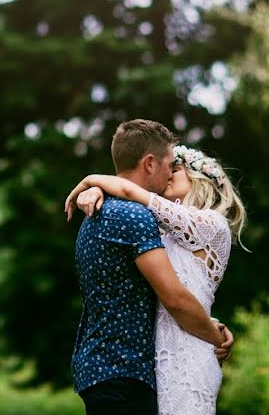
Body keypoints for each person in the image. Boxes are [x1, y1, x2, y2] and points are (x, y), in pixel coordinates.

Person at [64, 119, 235, 415]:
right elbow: (175, 300)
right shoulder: (136, 218)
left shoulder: (208, 225)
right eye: (170, 165)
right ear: (150, 163)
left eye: (177, 168)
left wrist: (94, 183)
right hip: (129, 369)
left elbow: (185, 292)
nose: (170, 172)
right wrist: (216, 335)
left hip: (149, 364)